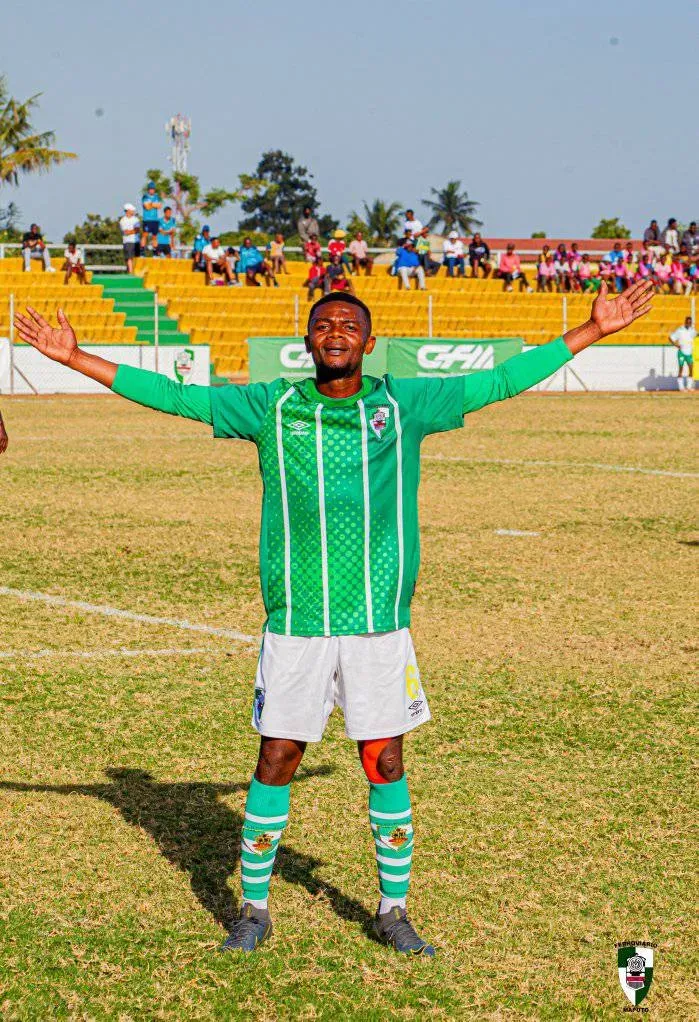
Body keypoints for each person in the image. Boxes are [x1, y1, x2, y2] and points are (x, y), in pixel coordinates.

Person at [14, 276, 654, 956]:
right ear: (307, 343)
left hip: (379, 623)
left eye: (348, 325)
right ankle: (254, 909)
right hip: (297, 622)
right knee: (278, 758)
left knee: (382, 761)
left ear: (369, 343)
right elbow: (178, 397)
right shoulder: (273, 406)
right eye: (324, 326)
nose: (336, 333)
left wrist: (589, 332)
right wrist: (75, 358)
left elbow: (499, 380)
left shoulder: (407, 402)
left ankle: (392, 909)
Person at [668, 316, 695, 389]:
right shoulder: (680, 330)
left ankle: (689, 387)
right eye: (688, 322)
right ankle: (681, 387)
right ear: (685, 322)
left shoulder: (692, 331)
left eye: (690, 322)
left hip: (689, 352)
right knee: (681, 368)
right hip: (682, 352)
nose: (689, 323)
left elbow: (696, 336)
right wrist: (676, 345)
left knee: (691, 368)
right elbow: (670, 338)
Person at [141, 182, 162, 254]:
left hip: (155, 219)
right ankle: (142, 251)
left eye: (153, 189)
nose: (152, 190)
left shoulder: (157, 197)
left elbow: (159, 206)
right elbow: (147, 207)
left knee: (155, 236)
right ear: (148, 190)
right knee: (145, 235)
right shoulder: (145, 197)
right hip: (147, 219)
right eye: (150, 189)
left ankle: (155, 252)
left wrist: (151, 204)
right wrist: (154, 205)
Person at [119, 203, 141, 274]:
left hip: (136, 241)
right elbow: (125, 232)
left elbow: (137, 230)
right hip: (127, 241)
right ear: (128, 210)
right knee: (129, 258)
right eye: (132, 210)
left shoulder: (136, 219)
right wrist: (132, 231)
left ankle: (135, 272)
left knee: (136, 258)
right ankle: (130, 273)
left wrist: (130, 231)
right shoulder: (122, 220)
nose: (133, 211)